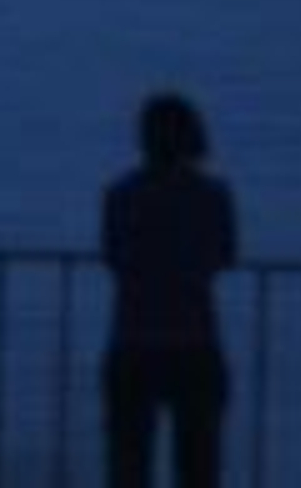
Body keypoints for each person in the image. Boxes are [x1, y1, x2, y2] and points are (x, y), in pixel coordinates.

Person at [101, 91, 238, 488]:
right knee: (198, 469)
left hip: (132, 341)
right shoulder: (214, 196)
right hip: (195, 341)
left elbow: (112, 256)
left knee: (128, 468)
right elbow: (225, 256)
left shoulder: (120, 194)